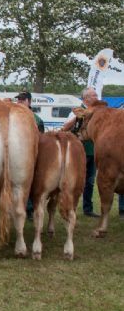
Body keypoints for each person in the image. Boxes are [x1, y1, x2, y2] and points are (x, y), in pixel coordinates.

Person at [62, 87, 99, 218]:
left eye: (96, 95)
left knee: (89, 181)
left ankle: (88, 209)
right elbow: (64, 128)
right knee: (74, 179)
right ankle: (69, 207)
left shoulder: (97, 112)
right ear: (85, 98)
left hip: (92, 151)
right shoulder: (77, 110)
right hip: (77, 151)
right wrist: (77, 118)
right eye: (94, 95)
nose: (97, 97)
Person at [15, 91, 45, 220]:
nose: (20, 102)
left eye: (22, 100)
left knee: (31, 182)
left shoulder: (36, 119)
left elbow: (41, 139)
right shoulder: (13, 116)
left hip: (31, 154)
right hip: (17, 154)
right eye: (19, 100)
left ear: (29, 102)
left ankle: (30, 208)